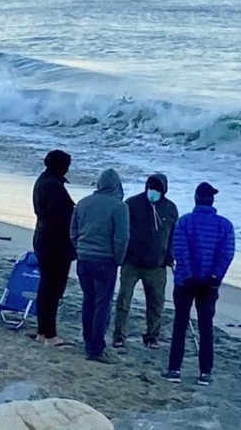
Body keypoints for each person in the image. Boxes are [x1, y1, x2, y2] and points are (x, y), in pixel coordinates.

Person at [163, 182, 235, 387]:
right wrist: (215, 277)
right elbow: (226, 254)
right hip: (208, 284)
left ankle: (174, 370)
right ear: (211, 200)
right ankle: (205, 373)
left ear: (196, 198)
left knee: (180, 325)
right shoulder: (225, 225)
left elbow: (180, 250)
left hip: (185, 282)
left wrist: (187, 276)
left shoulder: (185, 222)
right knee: (206, 327)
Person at [113, 173, 179, 349]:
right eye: (151, 187)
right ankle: (119, 335)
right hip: (131, 263)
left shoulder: (170, 209)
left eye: (157, 188)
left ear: (164, 190)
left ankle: (152, 336)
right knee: (123, 300)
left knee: (156, 303)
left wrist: (170, 256)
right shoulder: (132, 204)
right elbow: (122, 231)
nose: (153, 191)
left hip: (157, 265)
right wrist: (121, 254)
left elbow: (173, 236)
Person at [70, 168, 129, 364]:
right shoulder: (119, 207)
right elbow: (122, 238)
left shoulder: (83, 203)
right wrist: (118, 259)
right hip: (105, 260)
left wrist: (81, 249)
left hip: (84, 259)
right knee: (102, 305)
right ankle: (96, 348)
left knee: (88, 300)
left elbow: (73, 232)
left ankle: (88, 343)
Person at [32, 149, 76, 347]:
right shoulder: (53, 186)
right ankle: (50, 335)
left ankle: (43, 331)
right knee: (53, 288)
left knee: (46, 287)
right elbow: (62, 218)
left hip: (43, 238)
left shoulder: (43, 181)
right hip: (54, 243)